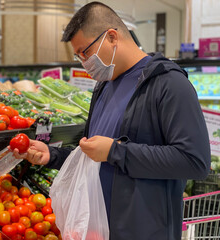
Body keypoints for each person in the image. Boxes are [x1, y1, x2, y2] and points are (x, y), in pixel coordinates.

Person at [11, 2, 211, 240]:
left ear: (112, 37)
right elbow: (94, 153)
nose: (84, 62)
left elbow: (195, 161)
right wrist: (52, 156)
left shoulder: (168, 84)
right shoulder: (103, 87)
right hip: (100, 229)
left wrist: (116, 151)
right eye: (78, 56)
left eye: (85, 52)